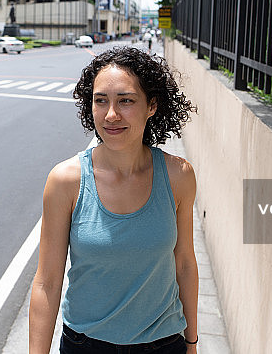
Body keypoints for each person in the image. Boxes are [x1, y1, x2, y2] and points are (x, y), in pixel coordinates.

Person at [30, 46, 199, 353]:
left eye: (126, 100)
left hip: (164, 344)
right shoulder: (66, 181)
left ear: (152, 105)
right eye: (100, 101)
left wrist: (192, 342)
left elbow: (185, 263)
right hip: (85, 345)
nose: (111, 115)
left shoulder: (178, 176)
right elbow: (47, 282)